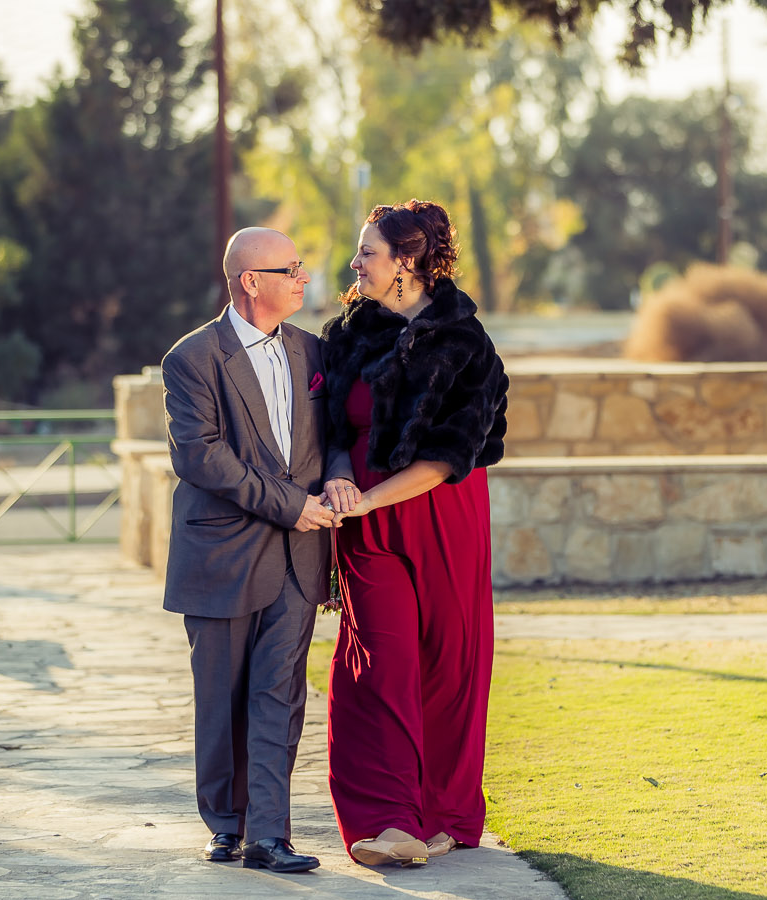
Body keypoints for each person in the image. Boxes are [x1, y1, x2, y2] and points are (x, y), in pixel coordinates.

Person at [161, 227, 356, 874]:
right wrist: (290, 505)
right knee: (220, 699)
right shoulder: (191, 359)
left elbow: (334, 434)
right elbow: (201, 457)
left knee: (280, 696)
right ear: (251, 281)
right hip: (221, 555)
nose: (304, 278)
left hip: (300, 560)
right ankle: (226, 823)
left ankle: (269, 835)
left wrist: (336, 474)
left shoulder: (313, 351)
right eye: (291, 268)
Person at [319, 201, 507, 867]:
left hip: (442, 510)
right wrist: (342, 481)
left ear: (405, 261)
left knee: (450, 660)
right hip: (366, 524)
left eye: (365, 252)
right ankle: (386, 820)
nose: (355, 263)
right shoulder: (347, 333)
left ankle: (447, 813)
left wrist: (367, 497)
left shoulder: (466, 341)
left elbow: (449, 455)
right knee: (379, 660)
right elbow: (332, 431)